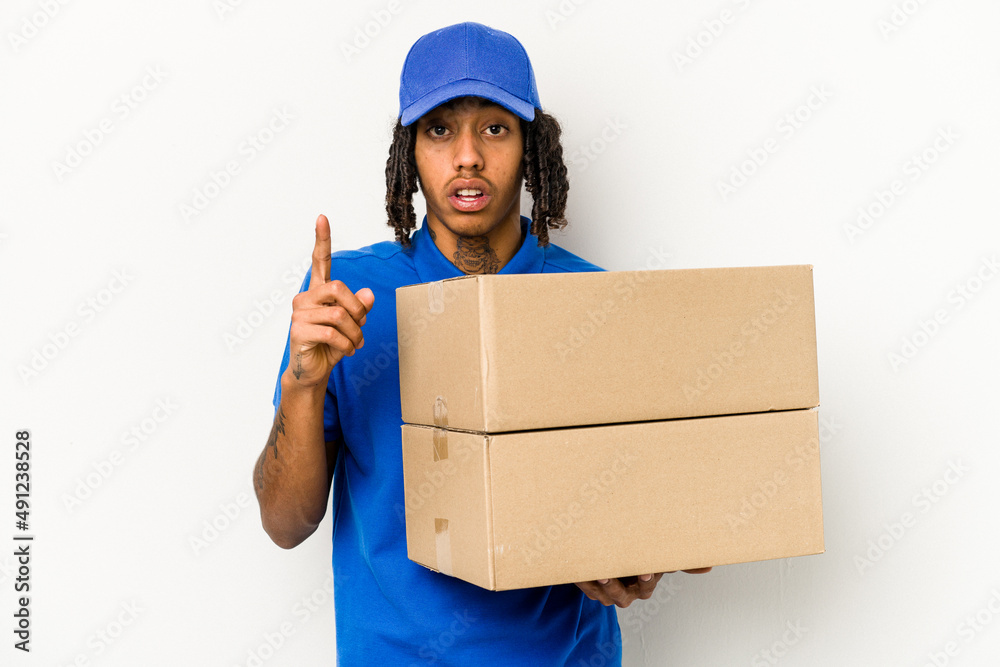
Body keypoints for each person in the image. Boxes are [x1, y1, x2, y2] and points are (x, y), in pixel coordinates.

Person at [252, 21, 708, 665]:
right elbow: (284, 524)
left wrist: (641, 558)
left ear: (532, 147)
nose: (467, 155)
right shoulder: (345, 298)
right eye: (440, 130)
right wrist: (303, 382)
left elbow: (664, 505)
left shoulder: (595, 300)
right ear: (409, 153)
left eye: (495, 128)